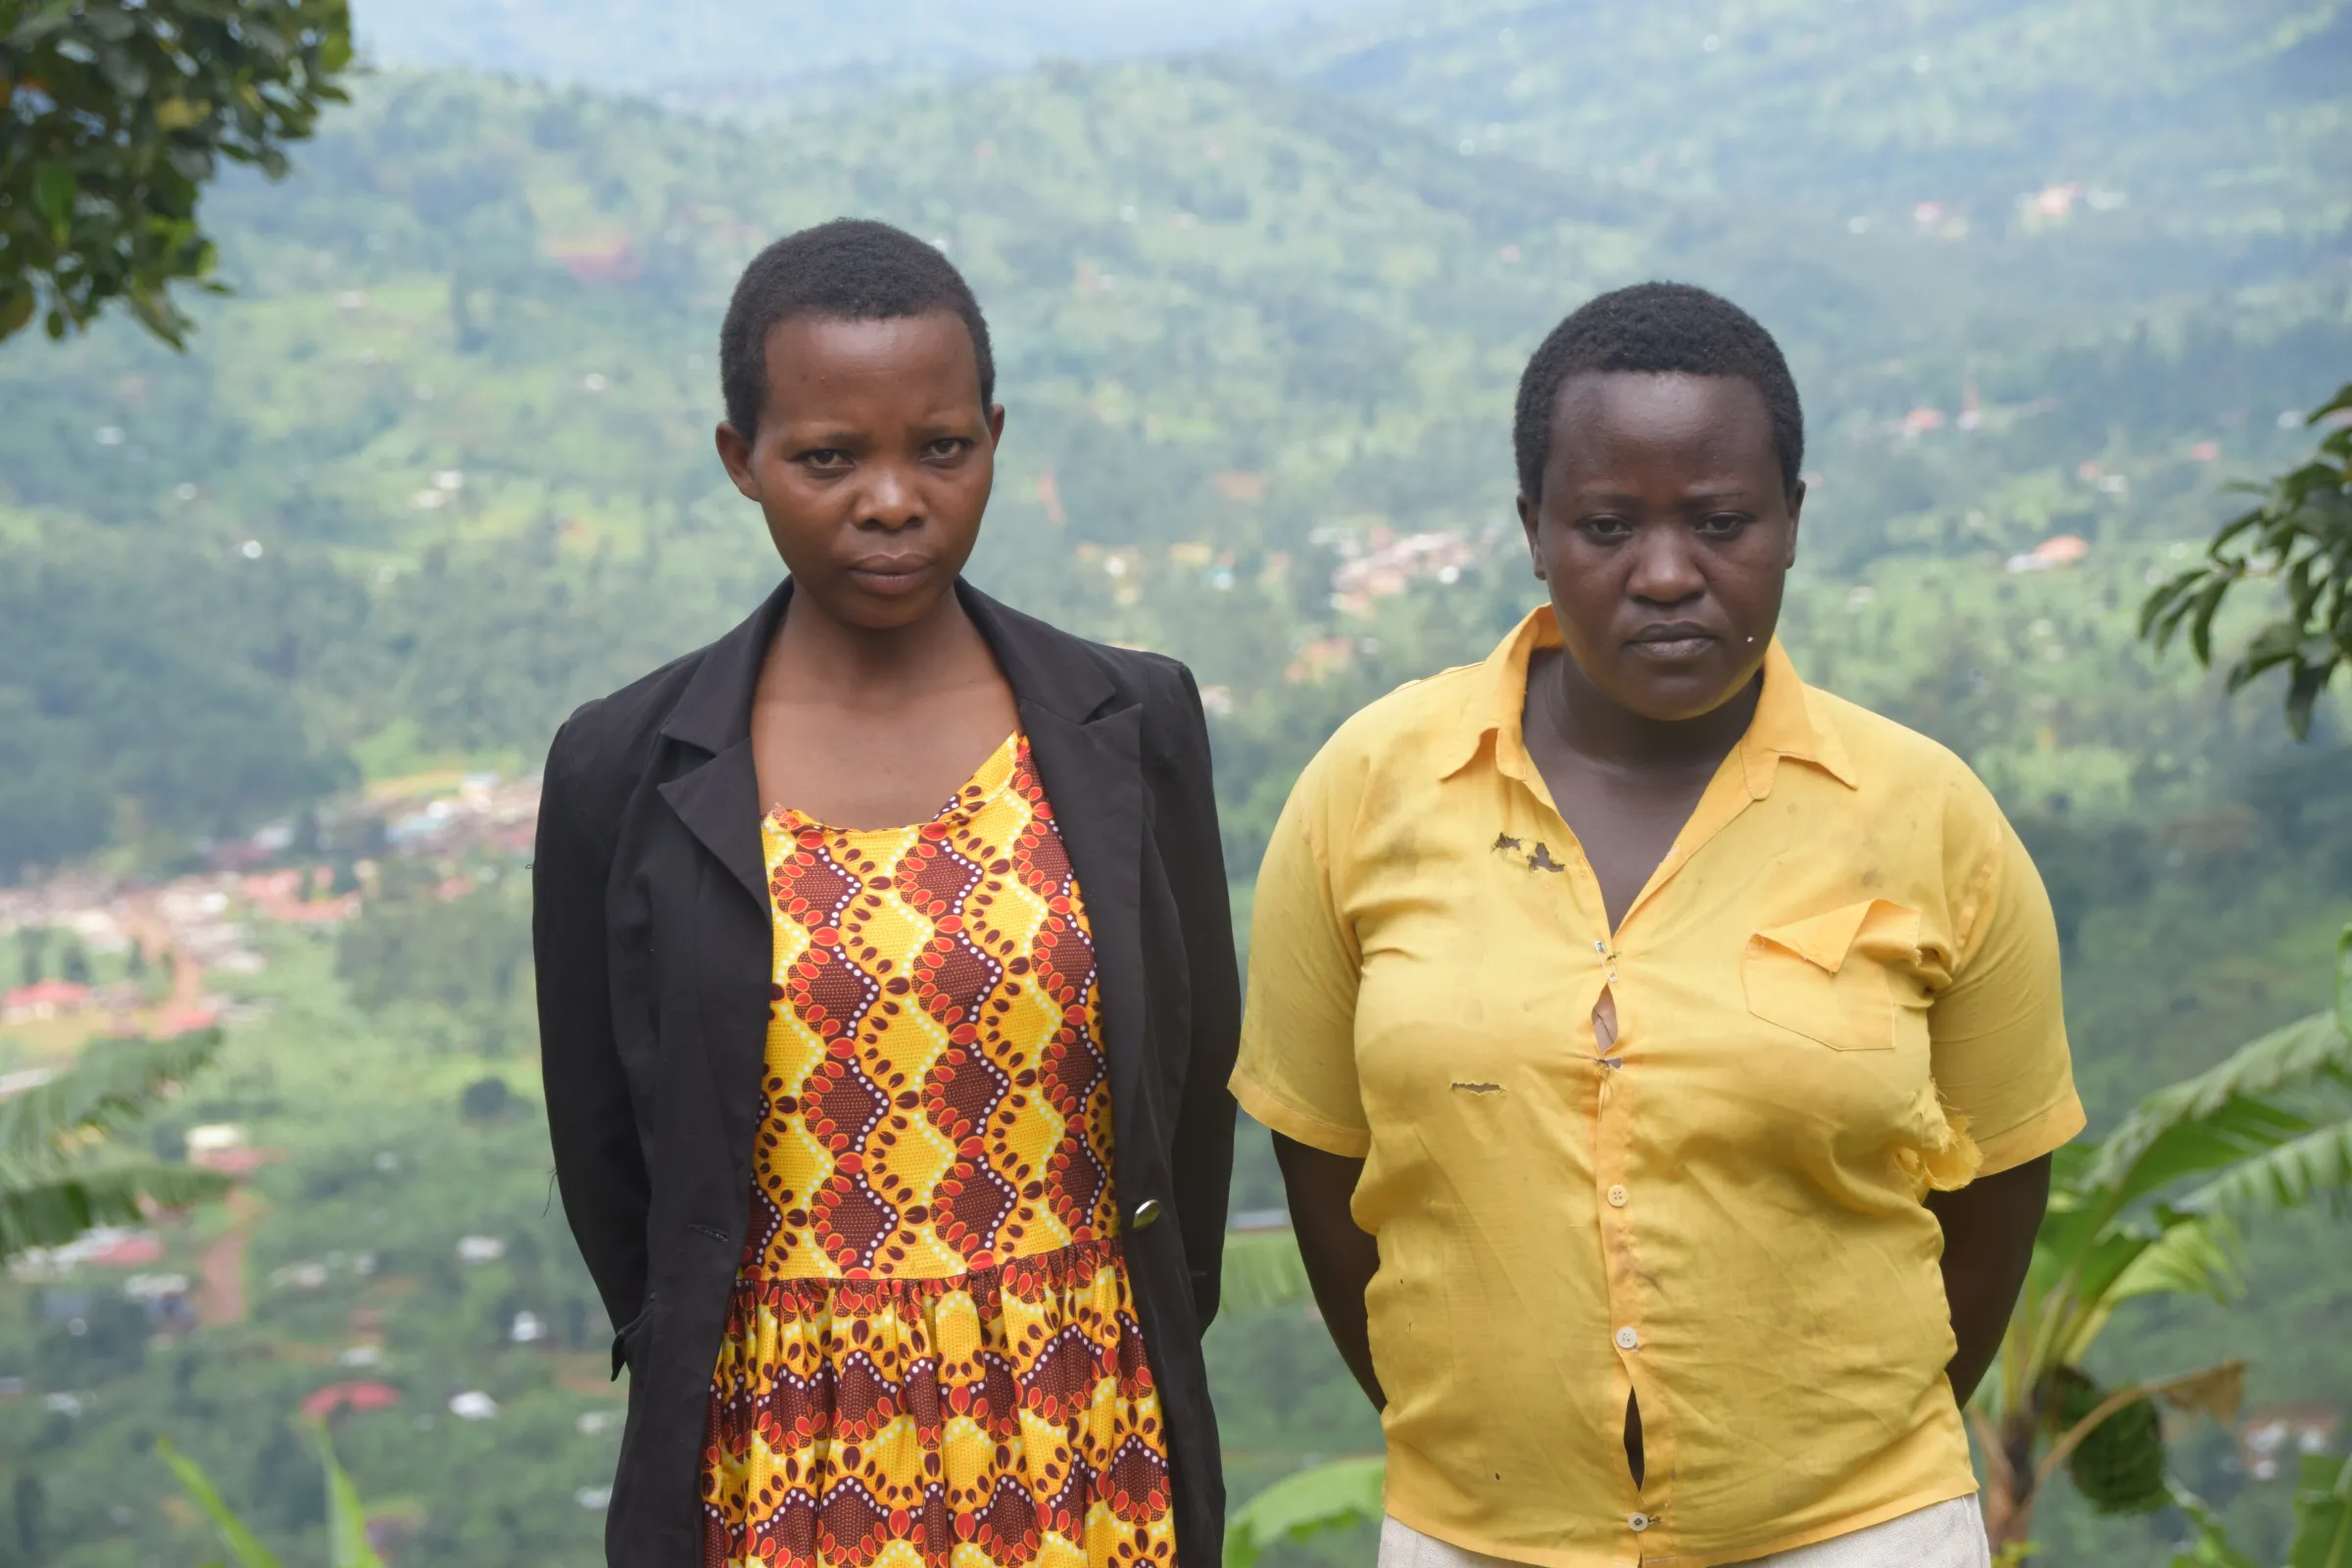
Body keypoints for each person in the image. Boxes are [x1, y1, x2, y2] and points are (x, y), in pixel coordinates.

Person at [1232, 282, 2082, 1568]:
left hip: (1859, 1534)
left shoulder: (1929, 820)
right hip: (1478, 1535)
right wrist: (1486, 1449)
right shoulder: (1366, 794)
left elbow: (2001, 1185)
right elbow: (1322, 1160)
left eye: (1723, 521)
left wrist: (1819, 1466)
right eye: (1608, 525)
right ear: (1533, 531)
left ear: (1793, 521)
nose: (1670, 574)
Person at [534, 219, 1240, 1568]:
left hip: (1089, 1427)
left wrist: (1117, 1331)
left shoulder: (1127, 720)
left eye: (941, 447)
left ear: (995, 437)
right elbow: (610, 1158)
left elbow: (1192, 1079)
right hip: (782, 1455)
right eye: (827, 457)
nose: (893, 499)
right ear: (741, 460)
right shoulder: (624, 767)